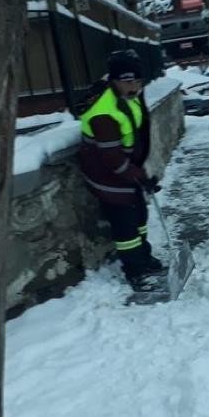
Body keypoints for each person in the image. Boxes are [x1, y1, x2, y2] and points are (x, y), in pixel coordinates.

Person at [79, 50, 164, 291]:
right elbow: (112, 158)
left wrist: (141, 174)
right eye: (128, 81)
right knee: (126, 224)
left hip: (125, 170)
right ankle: (135, 270)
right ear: (114, 80)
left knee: (140, 218)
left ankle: (144, 258)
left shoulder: (129, 97)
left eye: (138, 81)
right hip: (107, 177)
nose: (135, 86)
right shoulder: (103, 113)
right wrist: (139, 177)